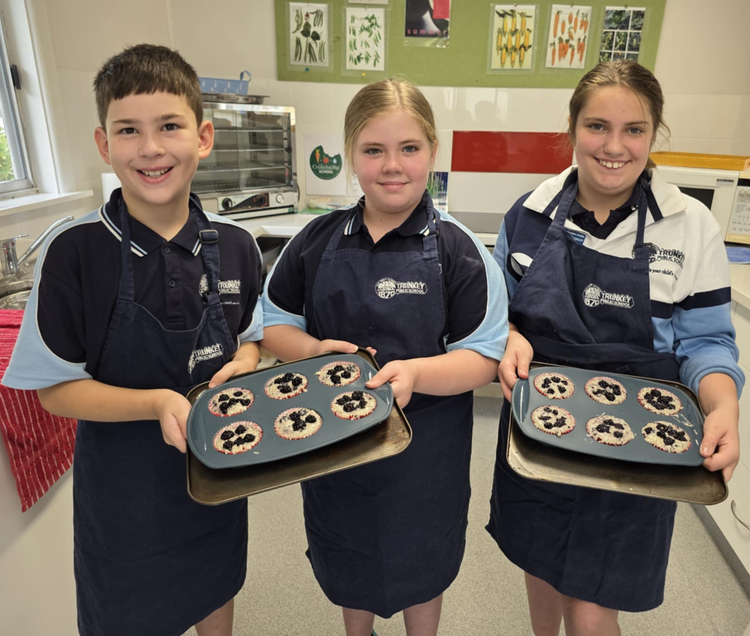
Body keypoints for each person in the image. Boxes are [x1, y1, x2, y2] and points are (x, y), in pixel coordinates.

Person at [2, 44, 264, 636]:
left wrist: (245, 363)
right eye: (129, 130)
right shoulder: (75, 254)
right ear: (104, 144)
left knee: (216, 586)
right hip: (124, 500)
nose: (150, 148)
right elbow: (55, 390)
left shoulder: (237, 246)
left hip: (218, 475)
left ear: (202, 137)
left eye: (169, 126)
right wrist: (154, 403)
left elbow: (251, 341)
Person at [486, 60, 743, 636]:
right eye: (597, 126)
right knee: (542, 563)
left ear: (654, 135)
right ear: (573, 127)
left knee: (593, 603)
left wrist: (723, 406)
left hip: (640, 442)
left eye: (635, 130)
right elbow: (496, 317)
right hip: (540, 428)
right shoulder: (528, 215)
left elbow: (705, 340)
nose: (614, 146)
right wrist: (509, 337)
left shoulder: (689, 226)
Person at [261, 79, 508, 636]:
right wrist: (312, 351)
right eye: (373, 150)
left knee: (423, 559)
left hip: (427, 454)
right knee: (347, 553)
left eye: (409, 149)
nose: (392, 165)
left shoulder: (460, 250)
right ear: (351, 156)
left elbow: (484, 357)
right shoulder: (314, 240)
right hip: (335, 448)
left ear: (432, 154)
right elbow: (273, 323)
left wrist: (417, 374)